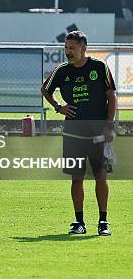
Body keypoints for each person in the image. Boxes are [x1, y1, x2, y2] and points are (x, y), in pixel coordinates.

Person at [41, 30, 116, 236]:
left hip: (98, 133)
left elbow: (112, 97)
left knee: (101, 177)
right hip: (73, 133)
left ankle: (103, 222)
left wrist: (109, 125)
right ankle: (79, 222)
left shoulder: (99, 67)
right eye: (66, 48)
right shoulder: (62, 70)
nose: (68, 52)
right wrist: (59, 107)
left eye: (72, 48)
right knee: (77, 178)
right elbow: (44, 89)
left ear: (84, 48)